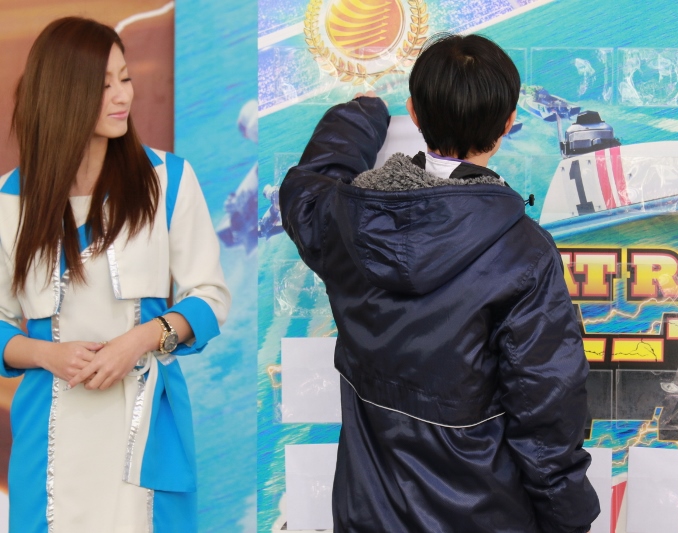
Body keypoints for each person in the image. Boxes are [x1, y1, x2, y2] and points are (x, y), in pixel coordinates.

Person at [280, 34, 599, 532]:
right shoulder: (524, 253)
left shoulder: (344, 219)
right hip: (484, 515)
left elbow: (304, 189)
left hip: (369, 514)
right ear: (508, 123)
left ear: (413, 112)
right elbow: (546, 408)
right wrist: (569, 519)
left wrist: (359, 115)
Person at [0, 17, 230, 532]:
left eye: (124, 78)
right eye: (104, 85)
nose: (123, 95)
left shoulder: (168, 180)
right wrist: (47, 355)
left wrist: (139, 341)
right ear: (64, 92)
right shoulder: (8, 200)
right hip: (48, 435)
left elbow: (210, 297)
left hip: (146, 428)